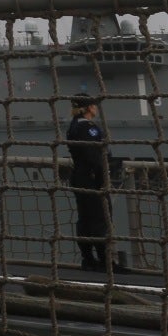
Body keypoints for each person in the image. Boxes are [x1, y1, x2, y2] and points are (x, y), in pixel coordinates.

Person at [66, 93, 123, 273]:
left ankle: (89, 259)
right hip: (92, 178)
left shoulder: (74, 125)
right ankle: (106, 262)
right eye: (94, 106)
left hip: (79, 176)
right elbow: (94, 157)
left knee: (85, 220)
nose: (96, 108)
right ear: (90, 107)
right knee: (100, 220)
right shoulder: (89, 128)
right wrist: (102, 180)